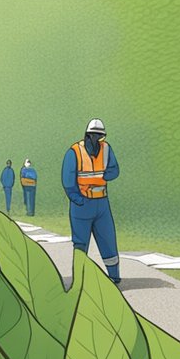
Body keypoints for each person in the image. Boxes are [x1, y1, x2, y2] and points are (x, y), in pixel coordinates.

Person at [63, 119, 122, 283]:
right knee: (81, 244)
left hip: (102, 204)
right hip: (82, 205)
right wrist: (78, 200)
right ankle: (79, 281)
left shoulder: (107, 149)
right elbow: (68, 181)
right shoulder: (74, 152)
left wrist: (105, 176)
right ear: (87, 135)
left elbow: (114, 169)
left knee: (108, 240)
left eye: (100, 136)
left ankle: (114, 278)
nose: (97, 140)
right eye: (94, 136)